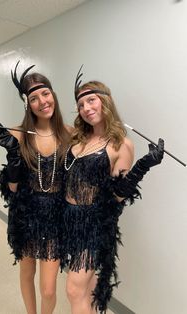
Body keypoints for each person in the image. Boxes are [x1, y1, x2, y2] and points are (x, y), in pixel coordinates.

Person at [62, 73, 164, 314]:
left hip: (93, 223)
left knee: (74, 290)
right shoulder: (77, 137)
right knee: (87, 287)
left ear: (105, 102)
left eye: (91, 101)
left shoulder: (120, 144)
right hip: (67, 218)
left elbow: (117, 196)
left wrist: (142, 166)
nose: (86, 108)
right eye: (80, 105)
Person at [0, 61, 71, 314]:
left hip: (55, 216)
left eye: (46, 94)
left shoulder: (69, 133)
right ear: (27, 104)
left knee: (49, 289)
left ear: (53, 94)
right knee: (26, 272)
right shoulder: (18, 134)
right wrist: (12, 151)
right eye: (34, 98)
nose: (43, 101)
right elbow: (12, 187)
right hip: (26, 214)